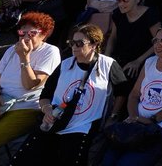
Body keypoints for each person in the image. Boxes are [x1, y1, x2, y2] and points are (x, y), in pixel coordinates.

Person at [13, 23, 128, 165]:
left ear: (94, 44)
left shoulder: (108, 64)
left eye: (80, 43)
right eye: (72, 43)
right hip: (55, 121)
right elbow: (45, 95)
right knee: (26, 158)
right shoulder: (64, 65)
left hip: (84, 126)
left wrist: (113, 116)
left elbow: (122, 92)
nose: (74, 47)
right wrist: (48, 110)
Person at [101, 24, 162, 166]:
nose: (157, 44)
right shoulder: (149, 62)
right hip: (136, 121)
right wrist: (134, 116)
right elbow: (134, 95)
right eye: (155, 41)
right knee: (108, 160)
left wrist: (153, 119)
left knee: (127, 163)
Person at [0, 12, 58, 161]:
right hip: (0, 100)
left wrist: (24, 58)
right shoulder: (12, 49)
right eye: (22, 32)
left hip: (26, 107)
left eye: (32, 33)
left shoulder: (50, 52)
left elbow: (30, 84)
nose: (26, 37)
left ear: (44, 34)